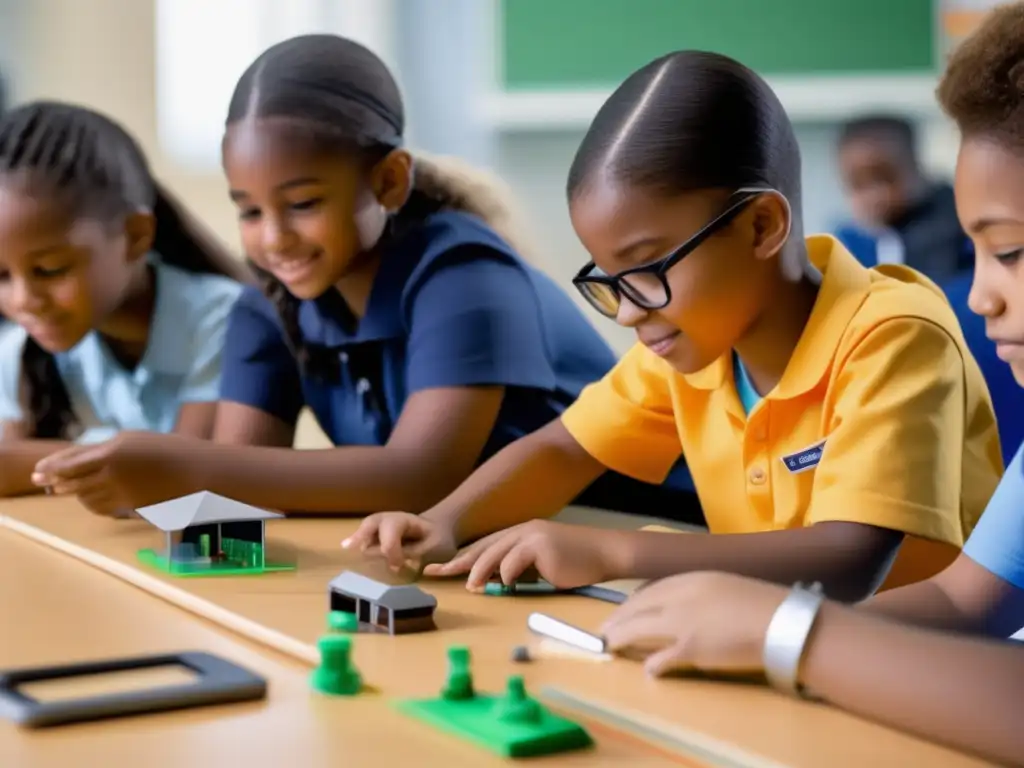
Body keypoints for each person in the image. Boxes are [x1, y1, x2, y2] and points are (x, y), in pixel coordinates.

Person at [343, 49, 1003, 601]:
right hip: (779, 649)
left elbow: (851, 557)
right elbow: (564, 450)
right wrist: (443, 523)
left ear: (761, 226)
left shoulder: (893, 335)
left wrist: (612, 551)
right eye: (610, 279)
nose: (629, 311)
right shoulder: (696, 346)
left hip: (914, 670)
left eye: (647, 269)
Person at [586, 8, 1024, 766]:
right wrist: (764, 627)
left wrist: (790, 635)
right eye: (978, 254)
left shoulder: (891, 326)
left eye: (1012, 252)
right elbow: (966, 602)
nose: (980, 297)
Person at [31, 35, 701, 522]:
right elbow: (241, 479)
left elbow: (421, 476)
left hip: (640, 535)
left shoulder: (463, 272)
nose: (273, 238)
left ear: (388, 180)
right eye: (249, 210)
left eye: (302, 204)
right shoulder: (268, 303)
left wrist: (181, 467)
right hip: (486, 551)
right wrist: (170, 486)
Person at [0, 101, 247, 500]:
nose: (24, 300)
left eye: (49, 269)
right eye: (1, 277)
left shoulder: (224, 320)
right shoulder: (19, 348)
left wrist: (48, 458)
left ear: (135, 236)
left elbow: (188, 474)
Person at [834, 114, 973, 284]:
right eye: (857, 184)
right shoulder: (848, 244)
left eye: (884, 178)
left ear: (914, 165)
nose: (873, 196)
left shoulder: (959, 229)